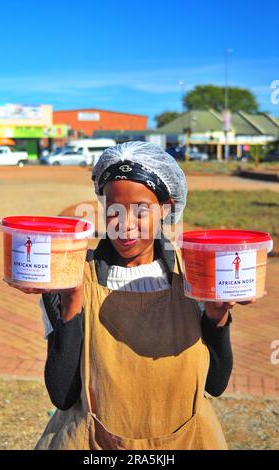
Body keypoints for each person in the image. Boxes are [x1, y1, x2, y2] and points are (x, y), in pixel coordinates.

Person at [18, 141, 257, 450]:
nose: (125, 226)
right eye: (113, 211)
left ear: (167, 209)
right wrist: (71, 303)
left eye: (141, 211)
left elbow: (215, 384)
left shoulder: (195, 275)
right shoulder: (71, 277)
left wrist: (217, 315)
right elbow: (63, 394)